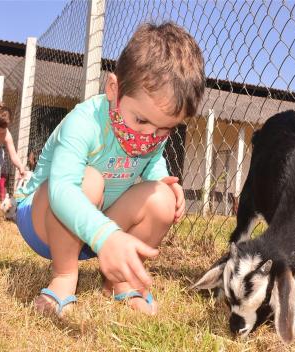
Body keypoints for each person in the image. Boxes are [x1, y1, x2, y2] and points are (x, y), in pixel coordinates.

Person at [14, 22, 205, 317]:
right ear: (113, 89)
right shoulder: (85, 122)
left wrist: (162, 181)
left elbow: (153, 160)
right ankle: (64, 277)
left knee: (162, 198)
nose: (148, 136)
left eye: (164, 129)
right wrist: (105, 235)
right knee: (88, 181)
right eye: (141, 121)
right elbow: (62, 189)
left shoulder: (150, 134)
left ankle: (120, 280)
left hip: (101, 231)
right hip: (44, 221)